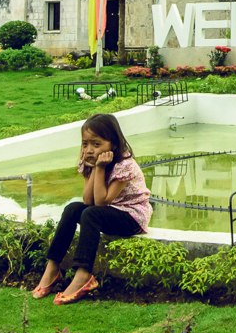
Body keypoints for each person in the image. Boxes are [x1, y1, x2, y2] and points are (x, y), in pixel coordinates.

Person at [31, 113, 152, 304]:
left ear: (112, 144)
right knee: (73, 209)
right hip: (106, 211)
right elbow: (88, 199)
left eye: (96, 144)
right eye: (85, 144)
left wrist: (101, 168)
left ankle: (83, 275)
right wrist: (94, 168)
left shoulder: (125, 165)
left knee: (91, 214)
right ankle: (53, 267)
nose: (89, 150)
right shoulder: (89, 161)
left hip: (131, 216)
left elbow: (102, 202)